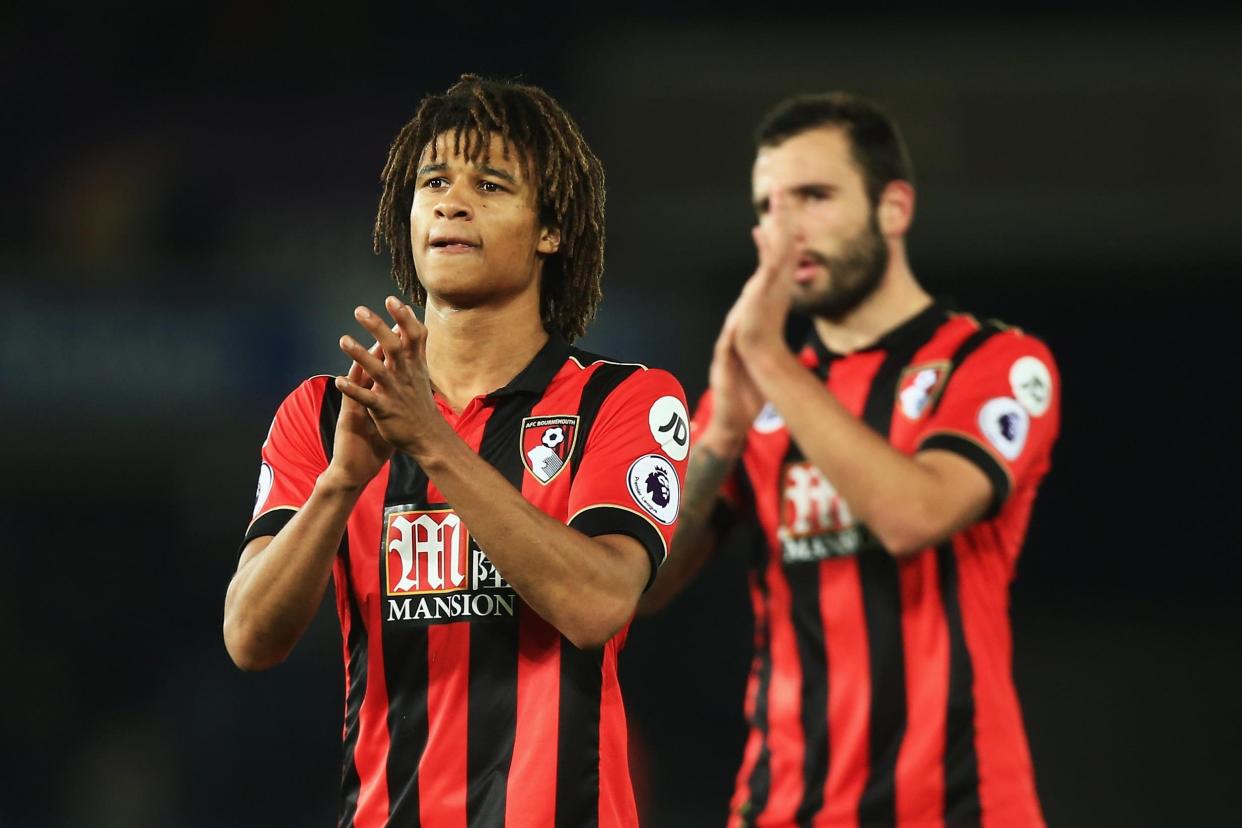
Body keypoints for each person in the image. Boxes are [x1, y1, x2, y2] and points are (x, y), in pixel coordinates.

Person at [224, 74, 689, 827]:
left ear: (551, 229)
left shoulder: (622, 401)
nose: (451, 201)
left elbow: (599, 603)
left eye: (491, 184)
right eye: (433, 180)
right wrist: (341, 484)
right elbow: (249, 636)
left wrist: (434, 444)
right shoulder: (323, 414)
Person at [641, 92, 1059, 827]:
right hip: (784, 806)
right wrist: (719, 436)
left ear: (894, 208)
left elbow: (914, 515)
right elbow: (643, 587)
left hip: (960, 806)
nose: (785, 229)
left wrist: (766, 358)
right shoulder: (756, 397)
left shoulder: (994, 364)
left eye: (814, 196)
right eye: (768, 207)